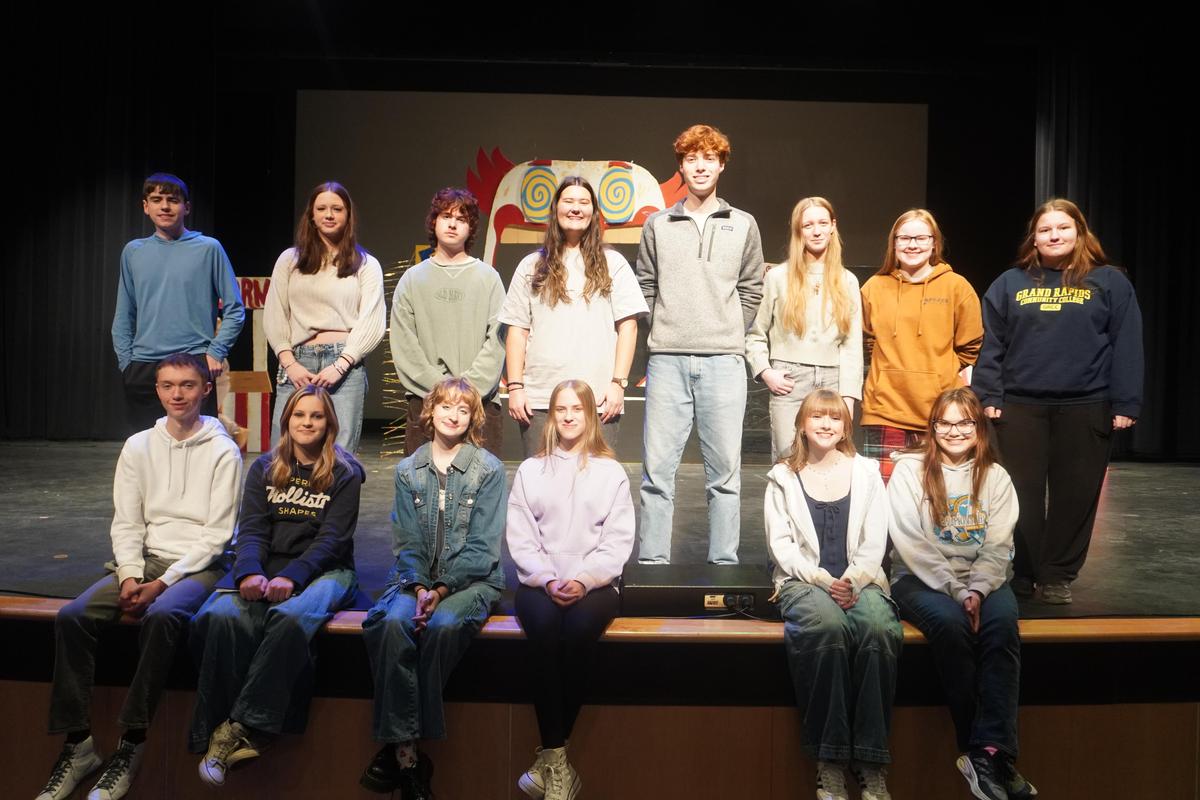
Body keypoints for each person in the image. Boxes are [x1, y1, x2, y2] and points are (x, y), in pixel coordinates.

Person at [35, 353, 241, 800]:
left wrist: (163, 584)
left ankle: (132, 741)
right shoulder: (138, 446)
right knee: (72, 616)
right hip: (146, 560)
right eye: (168, 385)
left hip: (200, 566)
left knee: (163, 616)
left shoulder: (223, 450)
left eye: (187, 385)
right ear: (158, 390)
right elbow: (127, 522)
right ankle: (78, 744)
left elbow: (218, 536)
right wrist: (130, 575)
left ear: (205, 390)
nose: (177, 394)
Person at [191, 385, 364, 787]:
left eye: (316, 416)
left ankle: (240, 727)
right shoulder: (265, 467)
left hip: (327, 571)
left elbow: (333, 540)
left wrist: (293, 576)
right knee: (219, 617)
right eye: (299, 415)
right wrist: (250, 571)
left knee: (289, 620)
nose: (307, 423)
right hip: (269, 569)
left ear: (329, 423)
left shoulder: (345, 472)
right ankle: (213, 731)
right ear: (286, 421)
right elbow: (252, 529)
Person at [973, 199, 1142, 605]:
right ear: (1034, 238)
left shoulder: (1109, 282)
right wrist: (989, 394)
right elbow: (991, 344)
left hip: (1087, 405)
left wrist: (1126, 402)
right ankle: (1026, 570)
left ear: (1079, 233)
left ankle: (1057, 575)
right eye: (1045, 229)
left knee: (1075, 495)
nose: (1054, 236)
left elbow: (1127, 343)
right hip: (1019, 407)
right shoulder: (1010, 283)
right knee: (1021, 495)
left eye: (1063, 228)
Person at [359, 377, 507, 798]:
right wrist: (421, 586)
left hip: (471, 580)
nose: (453, 415)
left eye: (463, 409)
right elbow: (407, 541)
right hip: (415, 579)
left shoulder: (488, 469)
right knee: (391, 624)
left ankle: (399, 748)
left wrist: (440, 589)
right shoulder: (409, 469)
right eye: (446, 406)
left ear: (473, 418)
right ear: (431, 411)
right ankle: (409, 757)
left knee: (442, 626)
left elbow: (483, 549)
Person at [888, 388, 1036, 800]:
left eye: (964, 423)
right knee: (951, 625)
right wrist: (957, 590)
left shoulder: (996, 477)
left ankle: (988, 754)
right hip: (921, 580)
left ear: (978, 427)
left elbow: (998, 546)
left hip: (983, 580)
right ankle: (987, 752)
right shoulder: (909, 471)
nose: (954, 431)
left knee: (1001, 627)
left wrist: (978, 588)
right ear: (932, 427)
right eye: (945, 423)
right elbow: (911, 543)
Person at [636, 123, 764, 564]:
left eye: (709, 158)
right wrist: (667, 326)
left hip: (724, 363)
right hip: (668, 361)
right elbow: (645, 285)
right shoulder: (657, 224)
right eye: (692, 159)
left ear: (722, 164)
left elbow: (751, 288)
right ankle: (653, 564)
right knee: (657, 474)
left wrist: (726, 329)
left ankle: (724, 567)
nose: (701, 166)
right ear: (681, 166)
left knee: (725, 477)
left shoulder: (743, 224)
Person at [765, 389, 900, 800]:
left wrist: (854, 580)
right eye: (817, 417)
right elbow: (782, 546)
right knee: (828, 630)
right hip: (804, 582)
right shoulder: (783, 476)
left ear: (846, 427)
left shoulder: (866, 472)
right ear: (802, 424)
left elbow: (876, 539)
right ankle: (830, 762)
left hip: (861, 580)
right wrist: (824, 580)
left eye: (835, 418)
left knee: (878, 629)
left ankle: (871, 762)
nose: (826, 424)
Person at [506, 380, 636, 800]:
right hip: (539, 583)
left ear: (590, 416)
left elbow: (617, 542)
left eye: (576, 409)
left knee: (578, 630)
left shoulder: (610, 472)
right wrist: (547, 578)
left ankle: (549, 760)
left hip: (595, 585)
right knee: (544, 629)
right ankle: (558, 761)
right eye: (560, 409)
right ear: (550, 416)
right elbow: (521, 539)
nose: (567, 416)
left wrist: (583, 579)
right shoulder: (531, 470)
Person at [500, 176, 648, 456]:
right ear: (556, 208)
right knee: (541, 478)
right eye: (568, 201)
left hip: (598, 399)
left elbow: (628, 327)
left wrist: (618, 384)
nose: (576, 208)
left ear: (594, 211)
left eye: (584, 202)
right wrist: (516, 387)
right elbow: (516, 330)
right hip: (540, 399)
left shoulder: (613, 263)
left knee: (595, 479)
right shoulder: (531, 265)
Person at [112, 173, 246, 434]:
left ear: (187, 207)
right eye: (156, 200)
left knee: (196, 445)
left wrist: (216, 351)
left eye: (173, 200)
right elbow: (124, 313)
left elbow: (235, 308)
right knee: (147, 447)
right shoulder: (133, 252)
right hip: (143, 365)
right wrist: (126, 363)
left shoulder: (209, 248)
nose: (165, 206)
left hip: (193, 361)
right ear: (145, 206)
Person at [859, 209, 982, 481]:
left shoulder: (956, 286)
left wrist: (938, 374)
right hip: (885, 410)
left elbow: (970, 346)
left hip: (941, 414)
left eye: (920, 238)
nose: (912, 245)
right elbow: (866, 340)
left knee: (936, 496)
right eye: (904, 238)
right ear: (893, 244)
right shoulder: (874, 287)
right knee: (884, 496)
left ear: (934, 243)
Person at [264, 181, 385, 454]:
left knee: (339, 454)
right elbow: (275, 314)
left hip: (344, 365)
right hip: (297, 363)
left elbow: (372, 322)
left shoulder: (366, 264)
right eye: (321, 209)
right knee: (284, 450)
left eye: (337, 209)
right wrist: (289, 362)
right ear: (311, 215)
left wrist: (341, 364)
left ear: (348, 215)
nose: (329, 215)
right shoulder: (290, 260)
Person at [391, 187, 506, 455]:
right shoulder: (412, 279)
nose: (453, 224)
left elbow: (498, 339)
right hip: (426, 400)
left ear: (471, 227)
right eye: (446, 216)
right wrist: (441, 390)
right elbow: (404, 342)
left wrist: (467, 389)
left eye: (461, 219)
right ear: (434, 221)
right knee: (423, 479)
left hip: (479, 402)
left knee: (480, 479)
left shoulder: (488, 278)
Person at [747, 197, 863, 460]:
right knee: (788, 461)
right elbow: (755, 334)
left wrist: (848, 397)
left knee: (830, 461)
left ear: (833, 226)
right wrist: (765, 371)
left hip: (833, 381)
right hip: (790, 380)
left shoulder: (847, 280)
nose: (816, 231)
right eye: (808, 225)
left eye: (822, 223)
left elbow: (852, 344)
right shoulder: (778, 277)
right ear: (798, 230)